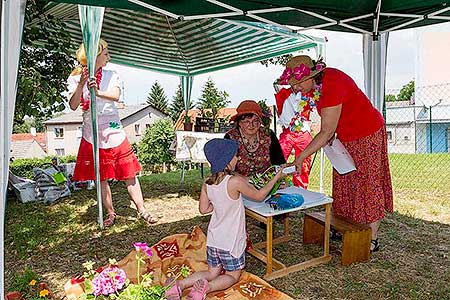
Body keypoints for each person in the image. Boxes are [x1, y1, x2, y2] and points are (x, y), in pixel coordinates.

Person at [278, 55, 393, 252]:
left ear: (312, 75)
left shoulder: (333, 82)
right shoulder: (317, 88)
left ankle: (372, 238)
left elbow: (326, 131)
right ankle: (346, 225)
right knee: (344, 180)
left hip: (367, 133)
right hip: (346, 136)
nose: (294, 88)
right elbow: (331, 123)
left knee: (368, 182)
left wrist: (301, 157)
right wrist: (332, 134)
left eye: (297, 83)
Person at [165, 138, 285, 300]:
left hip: (214, 239)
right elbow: (259, 195)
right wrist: (277, 177)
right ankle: (206, 289)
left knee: (212, 271)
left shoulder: (207, 183)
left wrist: (221, 204)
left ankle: (180, 285)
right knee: (232, 275)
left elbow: (203, 209)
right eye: (235, 156)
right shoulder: (234, 182)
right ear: (227, 161)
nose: (238, 158)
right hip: (231, 241)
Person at [67, 39, 157, 227]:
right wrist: (81, 83)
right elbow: (74, 105)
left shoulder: (111, 74)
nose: (109, 56)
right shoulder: (75, 78)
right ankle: (110, 213)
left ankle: (142, 210)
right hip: (92, 133)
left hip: (114, 128)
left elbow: (115, 96)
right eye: (106, 53)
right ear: (94, 57)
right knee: (101, 177)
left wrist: (97, 91)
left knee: (129, 172)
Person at [224, 100, 285, 177]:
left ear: (260, 122)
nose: (251, 125)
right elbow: (226, 169)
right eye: (246, 121)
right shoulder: (230, 137)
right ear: (239, 123)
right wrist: (246, 181)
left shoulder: (268, 134)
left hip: (268, 183)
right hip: (239, 184)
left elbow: (278, 162)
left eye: (255, 121)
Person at [274, 77, 316, 189]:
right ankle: (276, 186)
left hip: (304, 132)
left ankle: (301, 188)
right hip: (288, 132)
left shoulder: (310, 93)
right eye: (294, 83)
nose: (297, 86)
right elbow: (276, 83)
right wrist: (287, 80)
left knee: (304, 163)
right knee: (278, 160)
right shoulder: (284, 92)